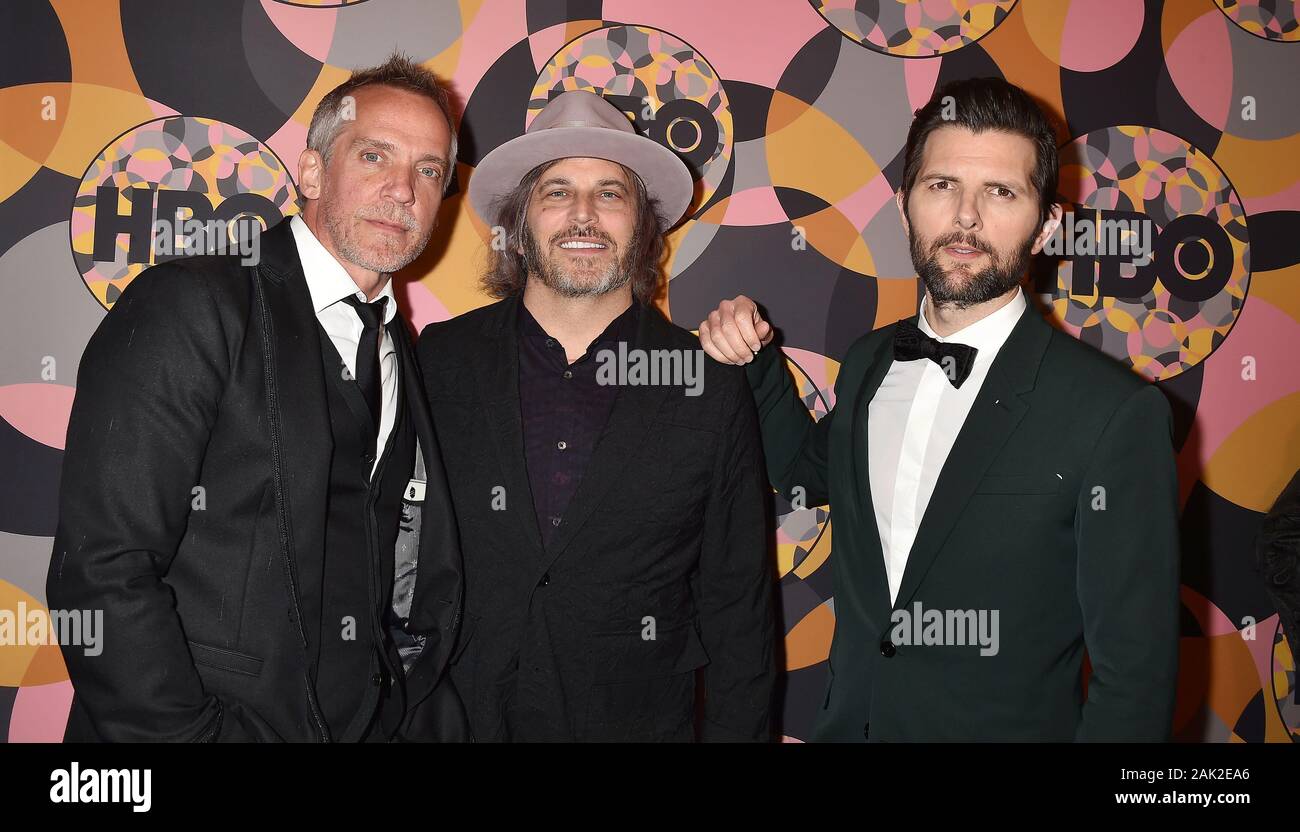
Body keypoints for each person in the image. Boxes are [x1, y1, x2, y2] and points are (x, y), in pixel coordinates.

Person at [699, 78, 1180, 741]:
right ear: (904, 208)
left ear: (1047, 225)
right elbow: (806, 472)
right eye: (941, 185)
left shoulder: (1114, 414)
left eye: (1001, 192)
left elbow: (1136, 680)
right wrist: (753, 359)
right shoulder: (871, 361)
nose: (965, 218)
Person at [49, 54, 467, 742]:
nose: (403, 191)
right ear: (310, 171)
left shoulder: (401, 348)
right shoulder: (194, 302)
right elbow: (100, 572)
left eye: (429, 171)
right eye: (374, 156)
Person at [417, 90, 776, 741]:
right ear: (519, 223)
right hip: (456, 721)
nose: (583, 215)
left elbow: (739, 609)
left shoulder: (706, 385)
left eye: (611, 193)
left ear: (642, 225)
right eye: (556, 192)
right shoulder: (438, 362)